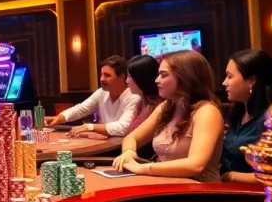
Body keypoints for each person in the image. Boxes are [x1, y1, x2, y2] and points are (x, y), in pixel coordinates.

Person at [111, 50, 224, 182]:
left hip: (200, 191)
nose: (157, 80)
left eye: (163, 75)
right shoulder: (166, 106)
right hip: (165, 186)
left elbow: (196, 165)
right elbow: (132, 137)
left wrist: (144, 168)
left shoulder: (207, 112)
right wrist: (128, 151)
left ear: (185, 77)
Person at [219, 49, 272, 183]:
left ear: (251, 80)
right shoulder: (239, 112)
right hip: (231, 190)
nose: (224, 83)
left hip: (263, 196)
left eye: (230, 76)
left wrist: (230, 177)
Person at [48, 55, 139, 136]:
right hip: (105, 143)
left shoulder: (134, 96)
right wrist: (59, 118)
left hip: (122, 147)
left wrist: (90, 127)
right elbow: (81, 109)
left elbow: (123, 127)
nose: (101, 79)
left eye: (107, 75)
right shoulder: (101, 93)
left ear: (121, 77)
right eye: (101, 75)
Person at [125, 55, 161, 132]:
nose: (126, 81)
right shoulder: (141, 102)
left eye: (130, 76)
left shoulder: (158, 106)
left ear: (142, 78)